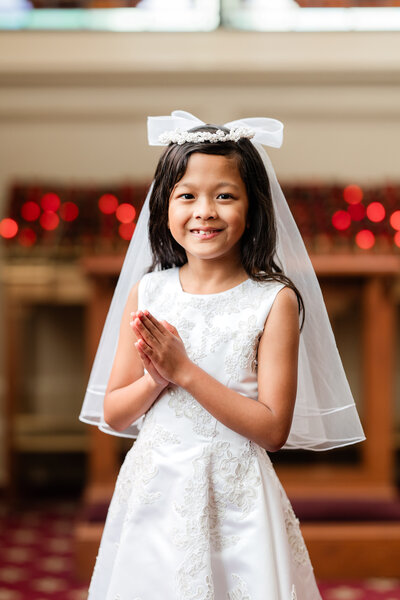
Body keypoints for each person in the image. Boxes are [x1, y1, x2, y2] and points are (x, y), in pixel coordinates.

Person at [80, 111, 365, 600]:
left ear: (253, 207)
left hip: (237, 500)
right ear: (164, 208)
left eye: (224, 195)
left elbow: (274, 429)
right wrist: (157, 379)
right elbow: (113, 410)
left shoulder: (272, 300)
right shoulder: (150, 291)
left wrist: (185, 372)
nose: (204, 211)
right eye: (187, 195)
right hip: (156, 494)